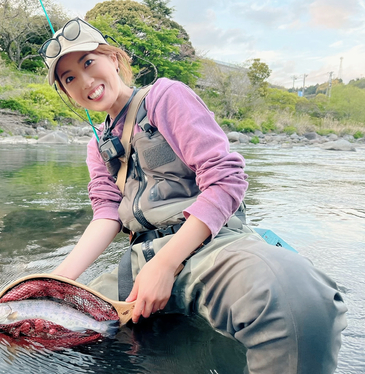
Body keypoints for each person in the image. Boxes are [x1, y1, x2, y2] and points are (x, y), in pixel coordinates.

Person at [38, 17, 347, 374]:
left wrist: (166, 263)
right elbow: (106, 215)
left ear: (114, 58)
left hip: (209, 243)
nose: (85, 81)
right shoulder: (97, 147)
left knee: (296, 296)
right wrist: (55, 284)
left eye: (89, 62)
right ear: (66, 93)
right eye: (69, 78)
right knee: (55, 329)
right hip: (140, 260)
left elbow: (226, 179)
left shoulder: (165, 96)